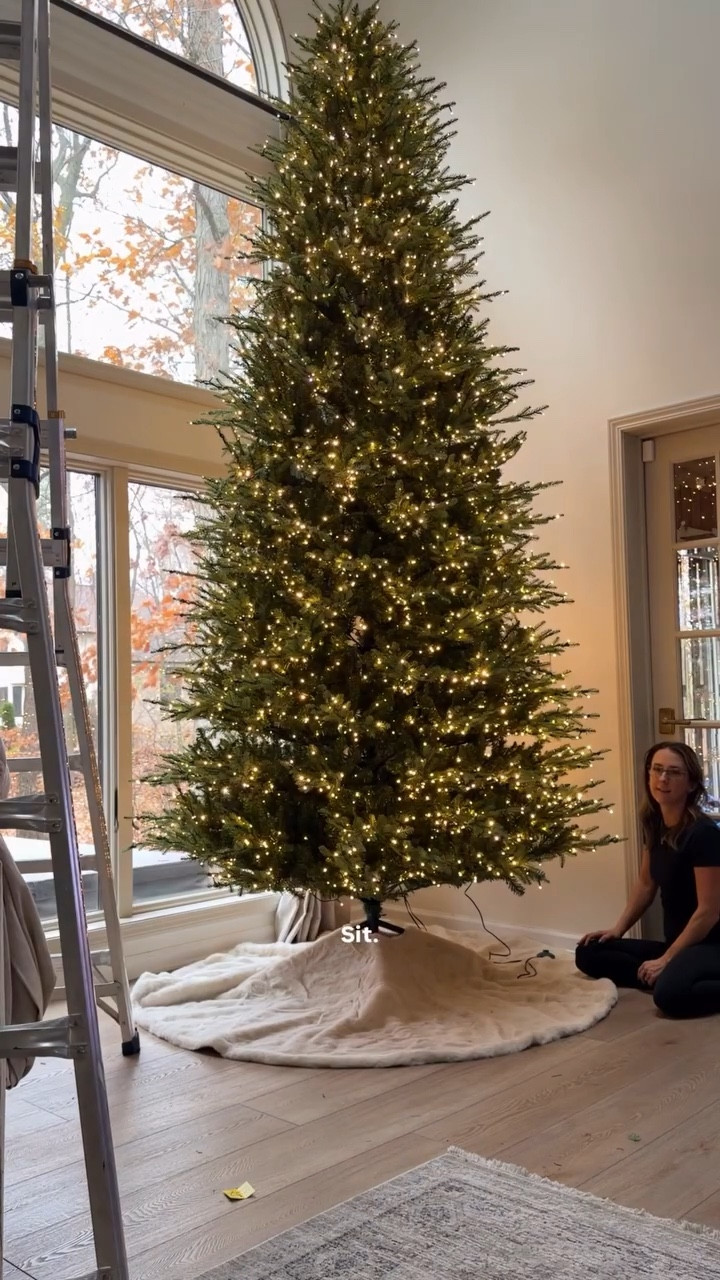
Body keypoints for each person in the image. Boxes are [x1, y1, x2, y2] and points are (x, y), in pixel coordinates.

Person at [576, 741, 720, 1017]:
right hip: (678, 941)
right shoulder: (654, 825)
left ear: (691, 784)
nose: (663, 779)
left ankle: (672, 975)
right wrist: (616, 930)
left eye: (674, 772)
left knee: (669, 996)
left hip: (712, 944)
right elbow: (645, 885)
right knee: (589, 952)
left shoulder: (704, 834)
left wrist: (667, 958)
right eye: (657, 770)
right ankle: (669, 972)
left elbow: (709, 912)